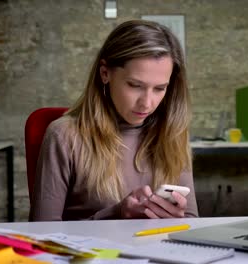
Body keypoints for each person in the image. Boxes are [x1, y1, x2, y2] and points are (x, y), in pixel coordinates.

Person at [29, 20, 198, 221]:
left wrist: (177, 218)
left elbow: (190, 219)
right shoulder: (64, 135)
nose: (147, 103)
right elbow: (42, 233)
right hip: (90, 253)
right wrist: (115, 215)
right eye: (135, 85)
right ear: (105, 73)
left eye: (160, 89)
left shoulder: (172, 133)